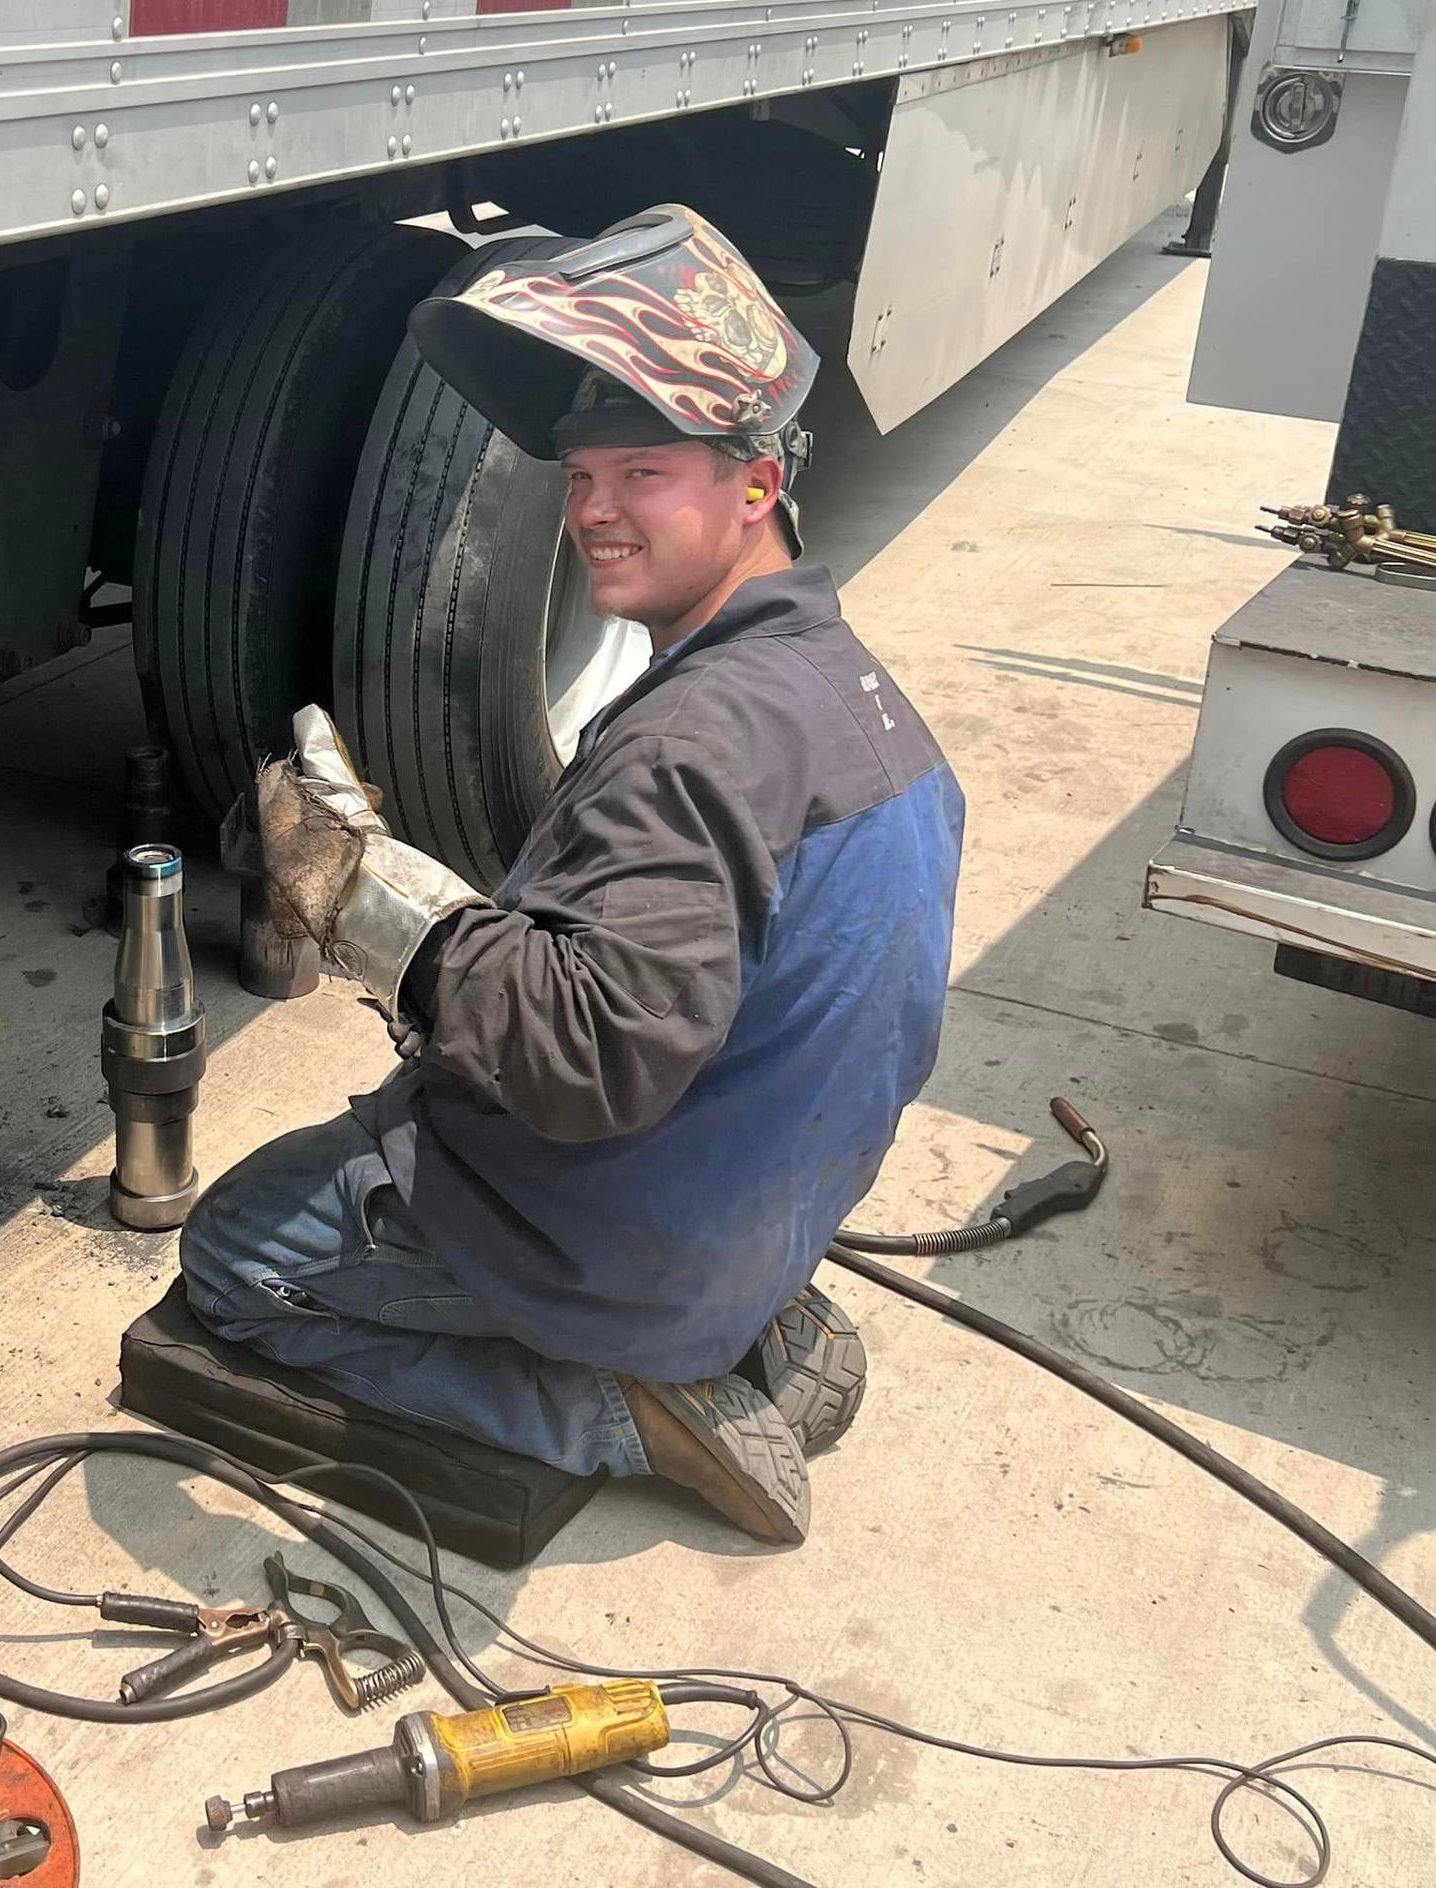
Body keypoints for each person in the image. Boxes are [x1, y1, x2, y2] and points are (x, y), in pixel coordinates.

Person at [180, 206, 963, 1545]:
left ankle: (629, 1407)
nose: (595, 510)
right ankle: (749, 1310)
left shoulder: (694, 740)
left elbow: (586, 1060)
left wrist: (367, 905)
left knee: (238, 1254)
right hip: (760, 1206)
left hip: (631, 1242)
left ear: (757, 487)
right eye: (587, 476)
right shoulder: (855, 697)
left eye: (644, 473)